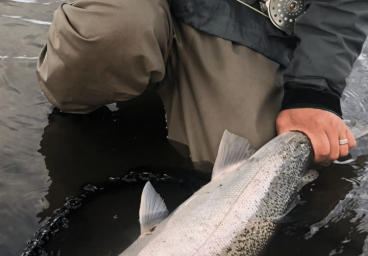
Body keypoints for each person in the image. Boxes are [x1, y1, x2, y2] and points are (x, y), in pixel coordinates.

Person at [36, 0, 368, 166]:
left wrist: (313, 90)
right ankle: (100, 79)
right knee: (108, 36)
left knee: (244, 163)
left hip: (251, 25)